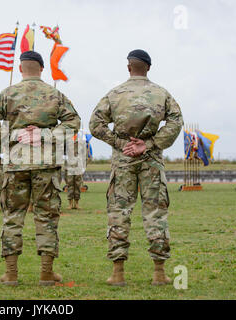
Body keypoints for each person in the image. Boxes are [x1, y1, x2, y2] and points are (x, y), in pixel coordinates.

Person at [0, 51, 80, 286]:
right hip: (46, 164)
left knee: (12, 217)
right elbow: (73, 123)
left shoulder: (8, 93)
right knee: (46, 217)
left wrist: (15, 135)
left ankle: (11, 274)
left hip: (15, 163)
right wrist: (45, 134)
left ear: (21, 68)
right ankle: (46, 273)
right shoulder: (55, 94)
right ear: (41, 69)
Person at [89, 49, 183, 286]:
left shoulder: (114, 94)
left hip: (123, 161)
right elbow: (176, 121)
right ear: (148, 68)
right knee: (156, 213)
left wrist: (120, 143)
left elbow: (95, 124)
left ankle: (118, 273)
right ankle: (159, 273)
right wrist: (149, 144)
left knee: (119, 213)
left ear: (129, 67)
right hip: (151, 159)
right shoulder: (161, 93)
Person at [63, 133, 84, 210]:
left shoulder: (81, 141)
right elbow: (62, 152)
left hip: (78, 165)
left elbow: (84, 154)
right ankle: (70, 203)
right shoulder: (66, 141)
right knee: (69, 184)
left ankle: (77, 203)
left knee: (78, 184)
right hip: (69, 165)